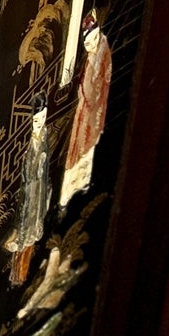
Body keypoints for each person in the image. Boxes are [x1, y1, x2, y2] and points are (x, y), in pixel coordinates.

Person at [60, 13, 112, 209]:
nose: (90, 46)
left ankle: (78, 184)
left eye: (93, 41)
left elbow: (96, 89)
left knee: (84, 147)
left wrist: (83, 92)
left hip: (91, 112)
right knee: (77, 147)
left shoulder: (102, 53)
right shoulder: (93, 54)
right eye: (87, 43)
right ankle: (72, 186)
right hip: (85, 110)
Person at [6, 94, 51, 286]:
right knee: (25, 228)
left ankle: (22, 274)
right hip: (28, 190)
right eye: (36, 120)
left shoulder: (43, 138)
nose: (39, 124)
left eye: (42, 119)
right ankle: (17, 274)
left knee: (33, 232)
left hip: (38, 189)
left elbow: (45, 166)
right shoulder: (30, 141)